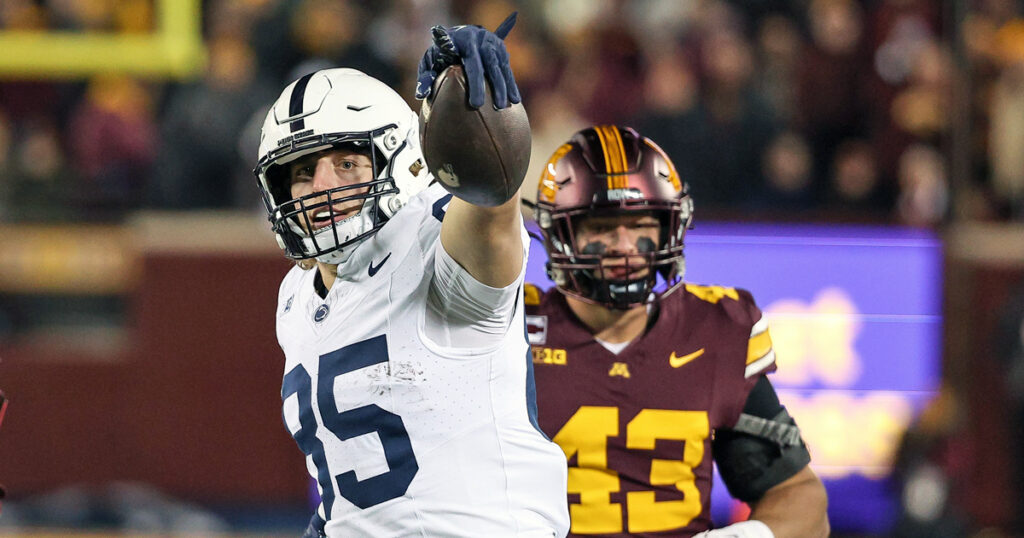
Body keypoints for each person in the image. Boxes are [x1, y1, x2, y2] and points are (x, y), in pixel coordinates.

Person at [252, 14, 569, 537]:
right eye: (303, 172)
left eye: (348, 163)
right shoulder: (296, 295)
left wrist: (475, 103)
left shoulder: (431, 239)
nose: (320, 186)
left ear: (401, 160)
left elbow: (490, 206)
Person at [528, 125, 829, 538]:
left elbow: (802, 499)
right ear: (562, 234)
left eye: (641, 224)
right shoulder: (514, 332)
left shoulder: (715, 331)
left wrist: (744, 537)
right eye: (601, 225)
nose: (624, 245)